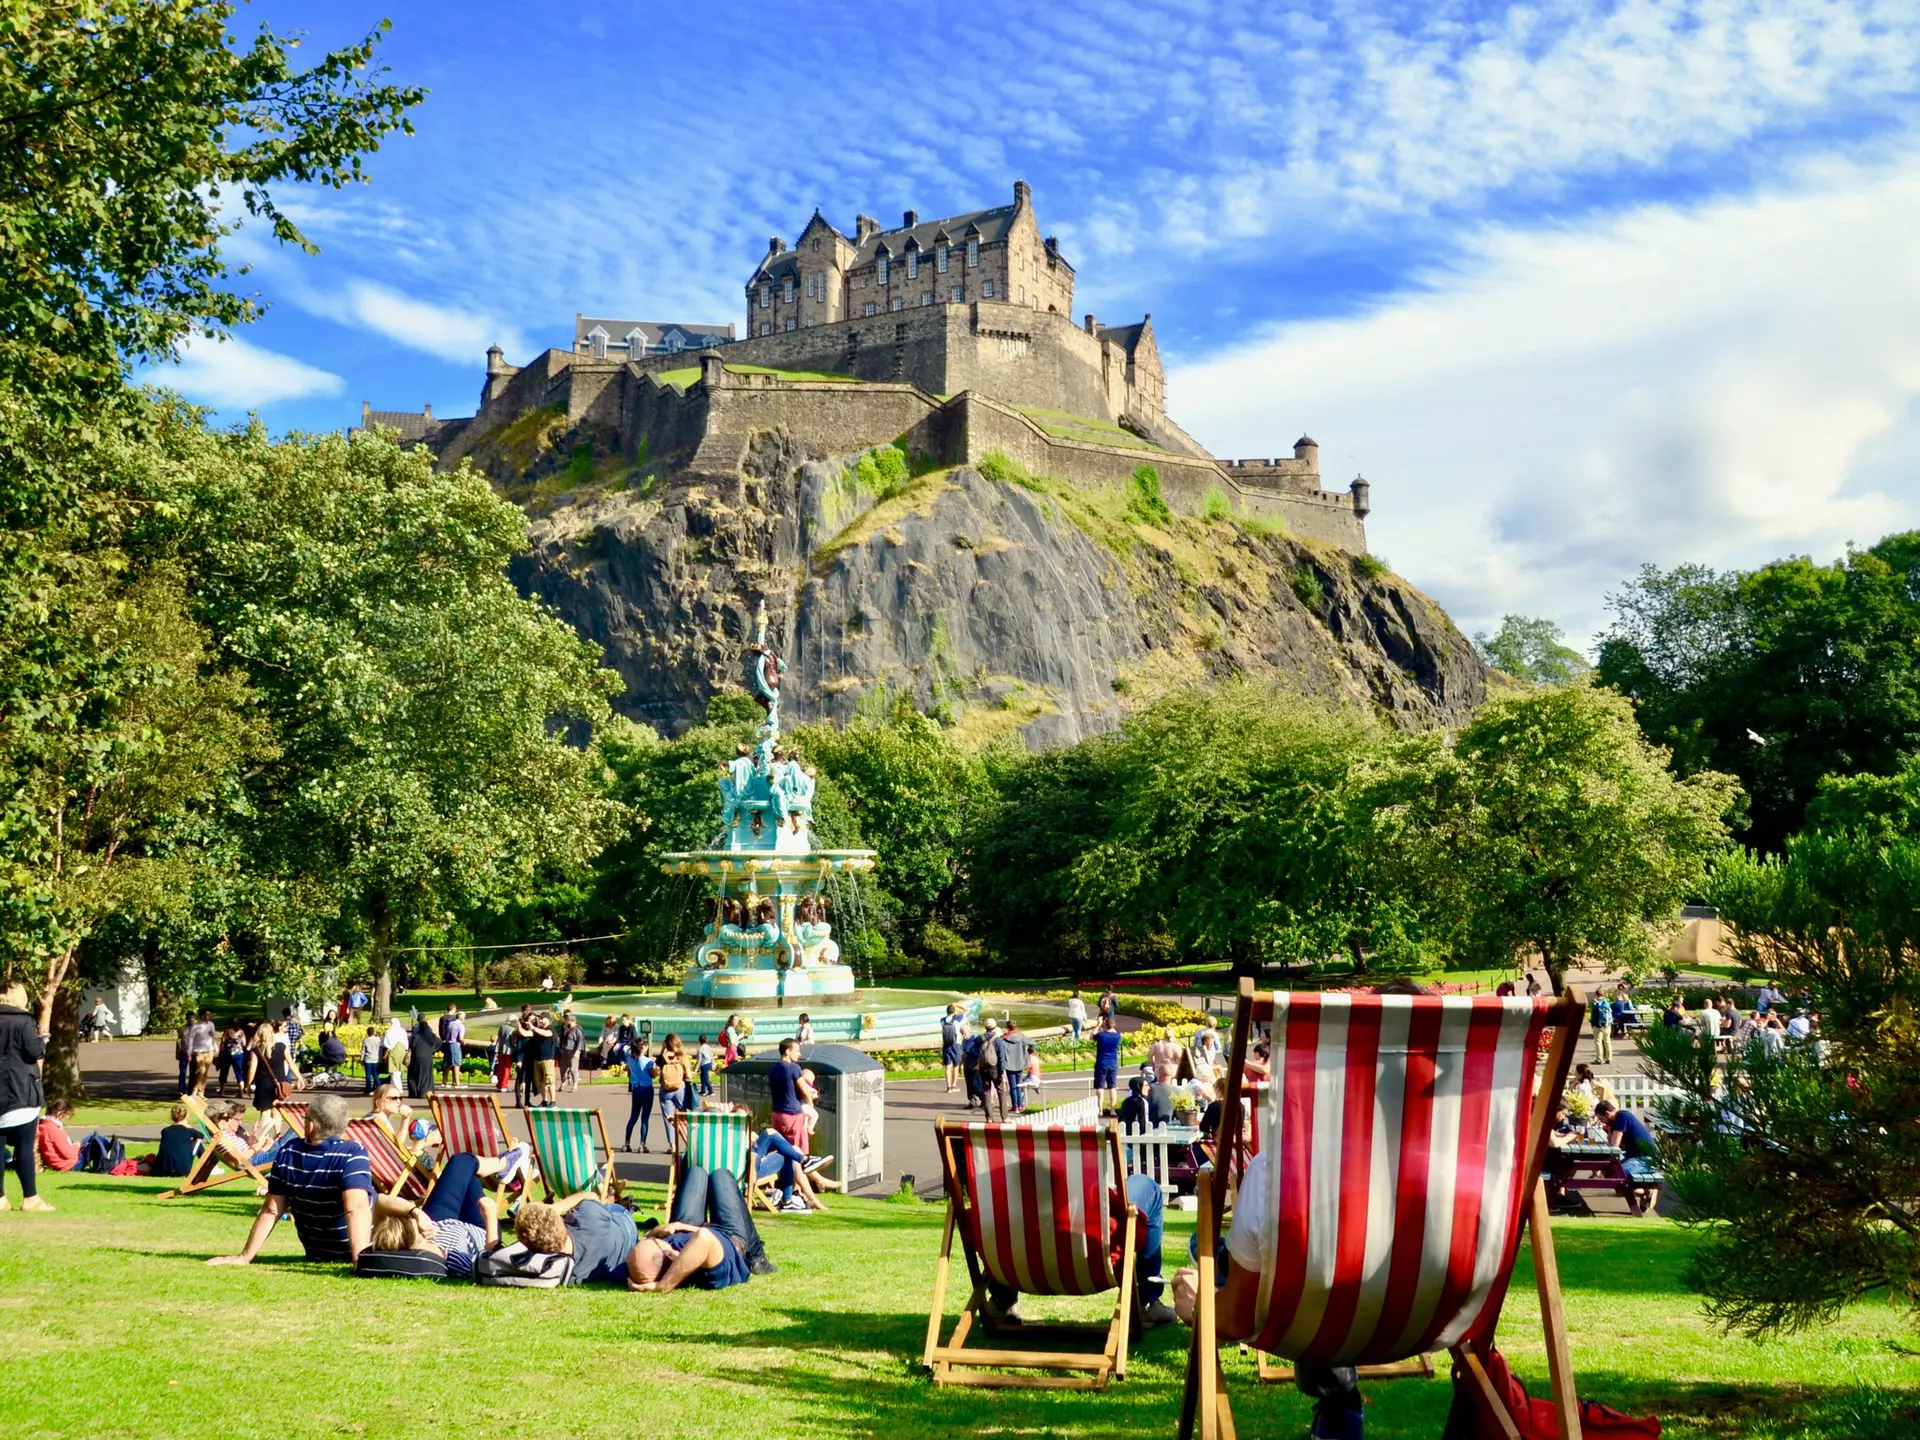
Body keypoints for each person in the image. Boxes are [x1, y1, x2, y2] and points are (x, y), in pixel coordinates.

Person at [984, 1167, 1174, 1330]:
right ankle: (1146, 1303)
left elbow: (974, 1234)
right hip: (1094, 1264)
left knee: (998, 1226)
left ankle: (1002, 1301)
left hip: (1017, 1269)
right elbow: (1138, 1235)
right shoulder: (1096, 1210)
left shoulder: (994, 1215)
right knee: (1146, 1186)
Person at [208, 1094, 373, 1265]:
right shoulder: (352, 1152)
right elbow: (357, 1209)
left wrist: (244, 1257)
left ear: (311, 1124)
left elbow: (271, 1210)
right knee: (384, 1201)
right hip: (354, 1248)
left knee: (385, 1201)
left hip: (318, 1251)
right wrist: (359, 1263)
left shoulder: (288, 1152)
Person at [366, 1146, 523, 1277]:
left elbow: (380, 1201)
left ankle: (504, 1164)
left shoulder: (403, 1239)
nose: (413, 1220)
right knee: (467, 1168)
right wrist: (490, 1217)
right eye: (410, 1221)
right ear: (415, 1237)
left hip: (440, 1220)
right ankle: (503, 1164)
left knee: (462, 1163)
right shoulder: (446, 1257)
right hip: (480, 1230)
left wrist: (416, 1213)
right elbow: (490, 1265)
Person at [625, 1164, 776, 1290]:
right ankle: (756, 1256)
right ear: (671, 1255)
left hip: (686, 1228)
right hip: (730, 1236)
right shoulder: (705, 1271)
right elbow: (704, 1238)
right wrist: (662, 1286)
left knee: (695, 1172)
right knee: (721, 1176)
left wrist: (659, 1231)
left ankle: (757, 1255)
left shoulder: (639, 1266)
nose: (649, 1237)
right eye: (655, 1240)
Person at [515, 1192, 642, 1286]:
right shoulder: (589, 1219)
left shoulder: (570, 1274)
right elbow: (590, 1196)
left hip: (625, 1248)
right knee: (607, 1207)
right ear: (558, 1219)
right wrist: (555, 1208)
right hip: (624, 1223)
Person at [0, 982, 51, 1213]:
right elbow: (33, 1052)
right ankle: (30, 1197)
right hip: (20, 1090)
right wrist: (42, 1041)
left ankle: (0, 1198)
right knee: (23, 1147)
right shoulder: (24, 1021)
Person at [767, 1037, 809, 1152]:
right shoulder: (793, 1068)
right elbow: (805, 1090)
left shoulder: (773, 1069)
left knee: (781, 1149)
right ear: (787, 1051)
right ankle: (798, 1170)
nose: (799, 1054)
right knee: (797, 1151)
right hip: (793, 1115)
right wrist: (810, 1106)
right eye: (797, 1051)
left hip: (777, 1115)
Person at [148, 1102, 202, 1178]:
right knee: (198, 1141)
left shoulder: (165, 1131)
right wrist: (188, 1126)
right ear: (185, 1117)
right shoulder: (188, 1130)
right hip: (182, 1170)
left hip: (162, 1169)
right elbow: (201, 1136)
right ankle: (208, 1165)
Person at [623, 1041, 656, 1152]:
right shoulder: (648, 1061)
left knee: (633, 1117)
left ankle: (627, 1143)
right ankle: (642, 1144)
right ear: (643, 1048)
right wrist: (657, 1069)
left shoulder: (630, 1060)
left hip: (636, 1089)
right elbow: (653, 1075)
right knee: (644, 1118)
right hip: (647, 1089)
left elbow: (628, 1074)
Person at [657, 1035, 690, 1145]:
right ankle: (687, 1140)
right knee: (683, 1116)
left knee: (668, 1117)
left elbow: (657, 1066)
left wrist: (663, 1049)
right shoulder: (683, 1056)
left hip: (666, 1089)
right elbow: (689, 1075)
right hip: (680, 1088)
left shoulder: (663, 1057)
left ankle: (672, 1144)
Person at [36, 1098, 82, 1172]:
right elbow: (69, 1154)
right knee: (95, 1140)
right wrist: (77, 1146)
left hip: (54, 1162)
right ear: (60, 1113)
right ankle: (104, 1168)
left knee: (92, 1139)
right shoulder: (54, 1130)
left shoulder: (42, 1126)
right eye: (66, 1114)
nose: (66, 1117)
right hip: (65, 1164)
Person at [976, 1019, 1008, 1120]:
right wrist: (1002, 1072)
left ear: (985, 1027)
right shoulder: (998, 1040)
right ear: (995, 1027)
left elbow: (968, 1048)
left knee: (986, 1092)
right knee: (1001, 1091)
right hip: (995, 1068)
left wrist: (977, 1059)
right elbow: (1001, 1057)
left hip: (983, 1068)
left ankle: (989, 1118)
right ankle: (1005, 1117)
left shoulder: (979, 1039)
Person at [1093, 1014, 1123, 1111]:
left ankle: (1100, 1109)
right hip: (1113, 1063)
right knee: (1112, 1087)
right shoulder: (1117, 1036)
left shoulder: (1101, 1035)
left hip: (1101, 1062)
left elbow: (1091, 1036)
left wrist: (1098, 1024)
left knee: (1099, 1087)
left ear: (1105, 1024)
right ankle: (1113, 1110)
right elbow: (1115, 1032)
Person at [999, 1021, 1029, 1112]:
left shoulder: (1004, 1038)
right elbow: (1032, 1043)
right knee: (1019, 1084)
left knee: (1012, 1086)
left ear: (1007, 1027)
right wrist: (1030, 1053)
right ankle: (1020, 1105)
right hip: (1019, 1063)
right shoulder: (1021, 1036)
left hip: (1009, 1064)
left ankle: (1015, 1105)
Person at [406, 1015, 437, 1100]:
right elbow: (438, 1042)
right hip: (427, 1057)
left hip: (417, 1057)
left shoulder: (416, 1033)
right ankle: (426, 1092)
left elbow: (412, 1045)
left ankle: (415, 1092)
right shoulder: (430, 1034)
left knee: (414, 1075)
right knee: (426, 1075)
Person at [217, 1021, 249, 1096]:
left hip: (227, 1054)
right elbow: (244, 1044)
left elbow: (222, 1042)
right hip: (238, 1054)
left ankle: (222, 1091)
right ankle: (241, 1091)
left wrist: (221, 1052)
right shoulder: (241, 1032)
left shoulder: (227, 1031)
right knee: (239, 1072)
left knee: (224, 1072)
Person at [558, 1011, 585, 1092]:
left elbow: (579, 1041)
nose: (565, 1021)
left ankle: (575, 1084)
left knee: (573, 1069)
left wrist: (577, 1051)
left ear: (571, 1020)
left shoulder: (577, 1030)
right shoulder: (566, 1029)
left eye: (566, 1020)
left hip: (573, 1051)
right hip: (564, 1051)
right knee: (563, 1068)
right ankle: (563, 1082)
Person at [381, 1013, 408, 1090]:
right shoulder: (402, 1031)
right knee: (398, 1071)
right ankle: (393, 1087)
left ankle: (398, 1088)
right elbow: (406, 1042)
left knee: (394, 1071)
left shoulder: (389, 1031)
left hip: (393, 1051)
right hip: (402, 1051)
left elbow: (386, 1043)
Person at [1590, 989, 1613, 1065]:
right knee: (1607, 1041)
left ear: (1596, 995)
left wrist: (1592, 1023)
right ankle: (1609, 1058)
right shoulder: (1606, 1002)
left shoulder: (1594, 1003)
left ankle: (1599, 1059)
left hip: (1598, 1025)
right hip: (1607, 1024)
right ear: (1603, 995)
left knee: (1598, 1041)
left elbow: (1593, 1014)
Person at [359, 1024, 384, 1095]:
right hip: (375, 1058)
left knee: (368, 1074)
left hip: (368, 1058)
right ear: (374, 1032)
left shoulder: (366, 1040)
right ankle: (379, 1087)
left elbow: (363, 1051)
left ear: (367, 1033)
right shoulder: (377, 1039)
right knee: (375, 1073)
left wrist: (361, 1059)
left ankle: (368, 1088)